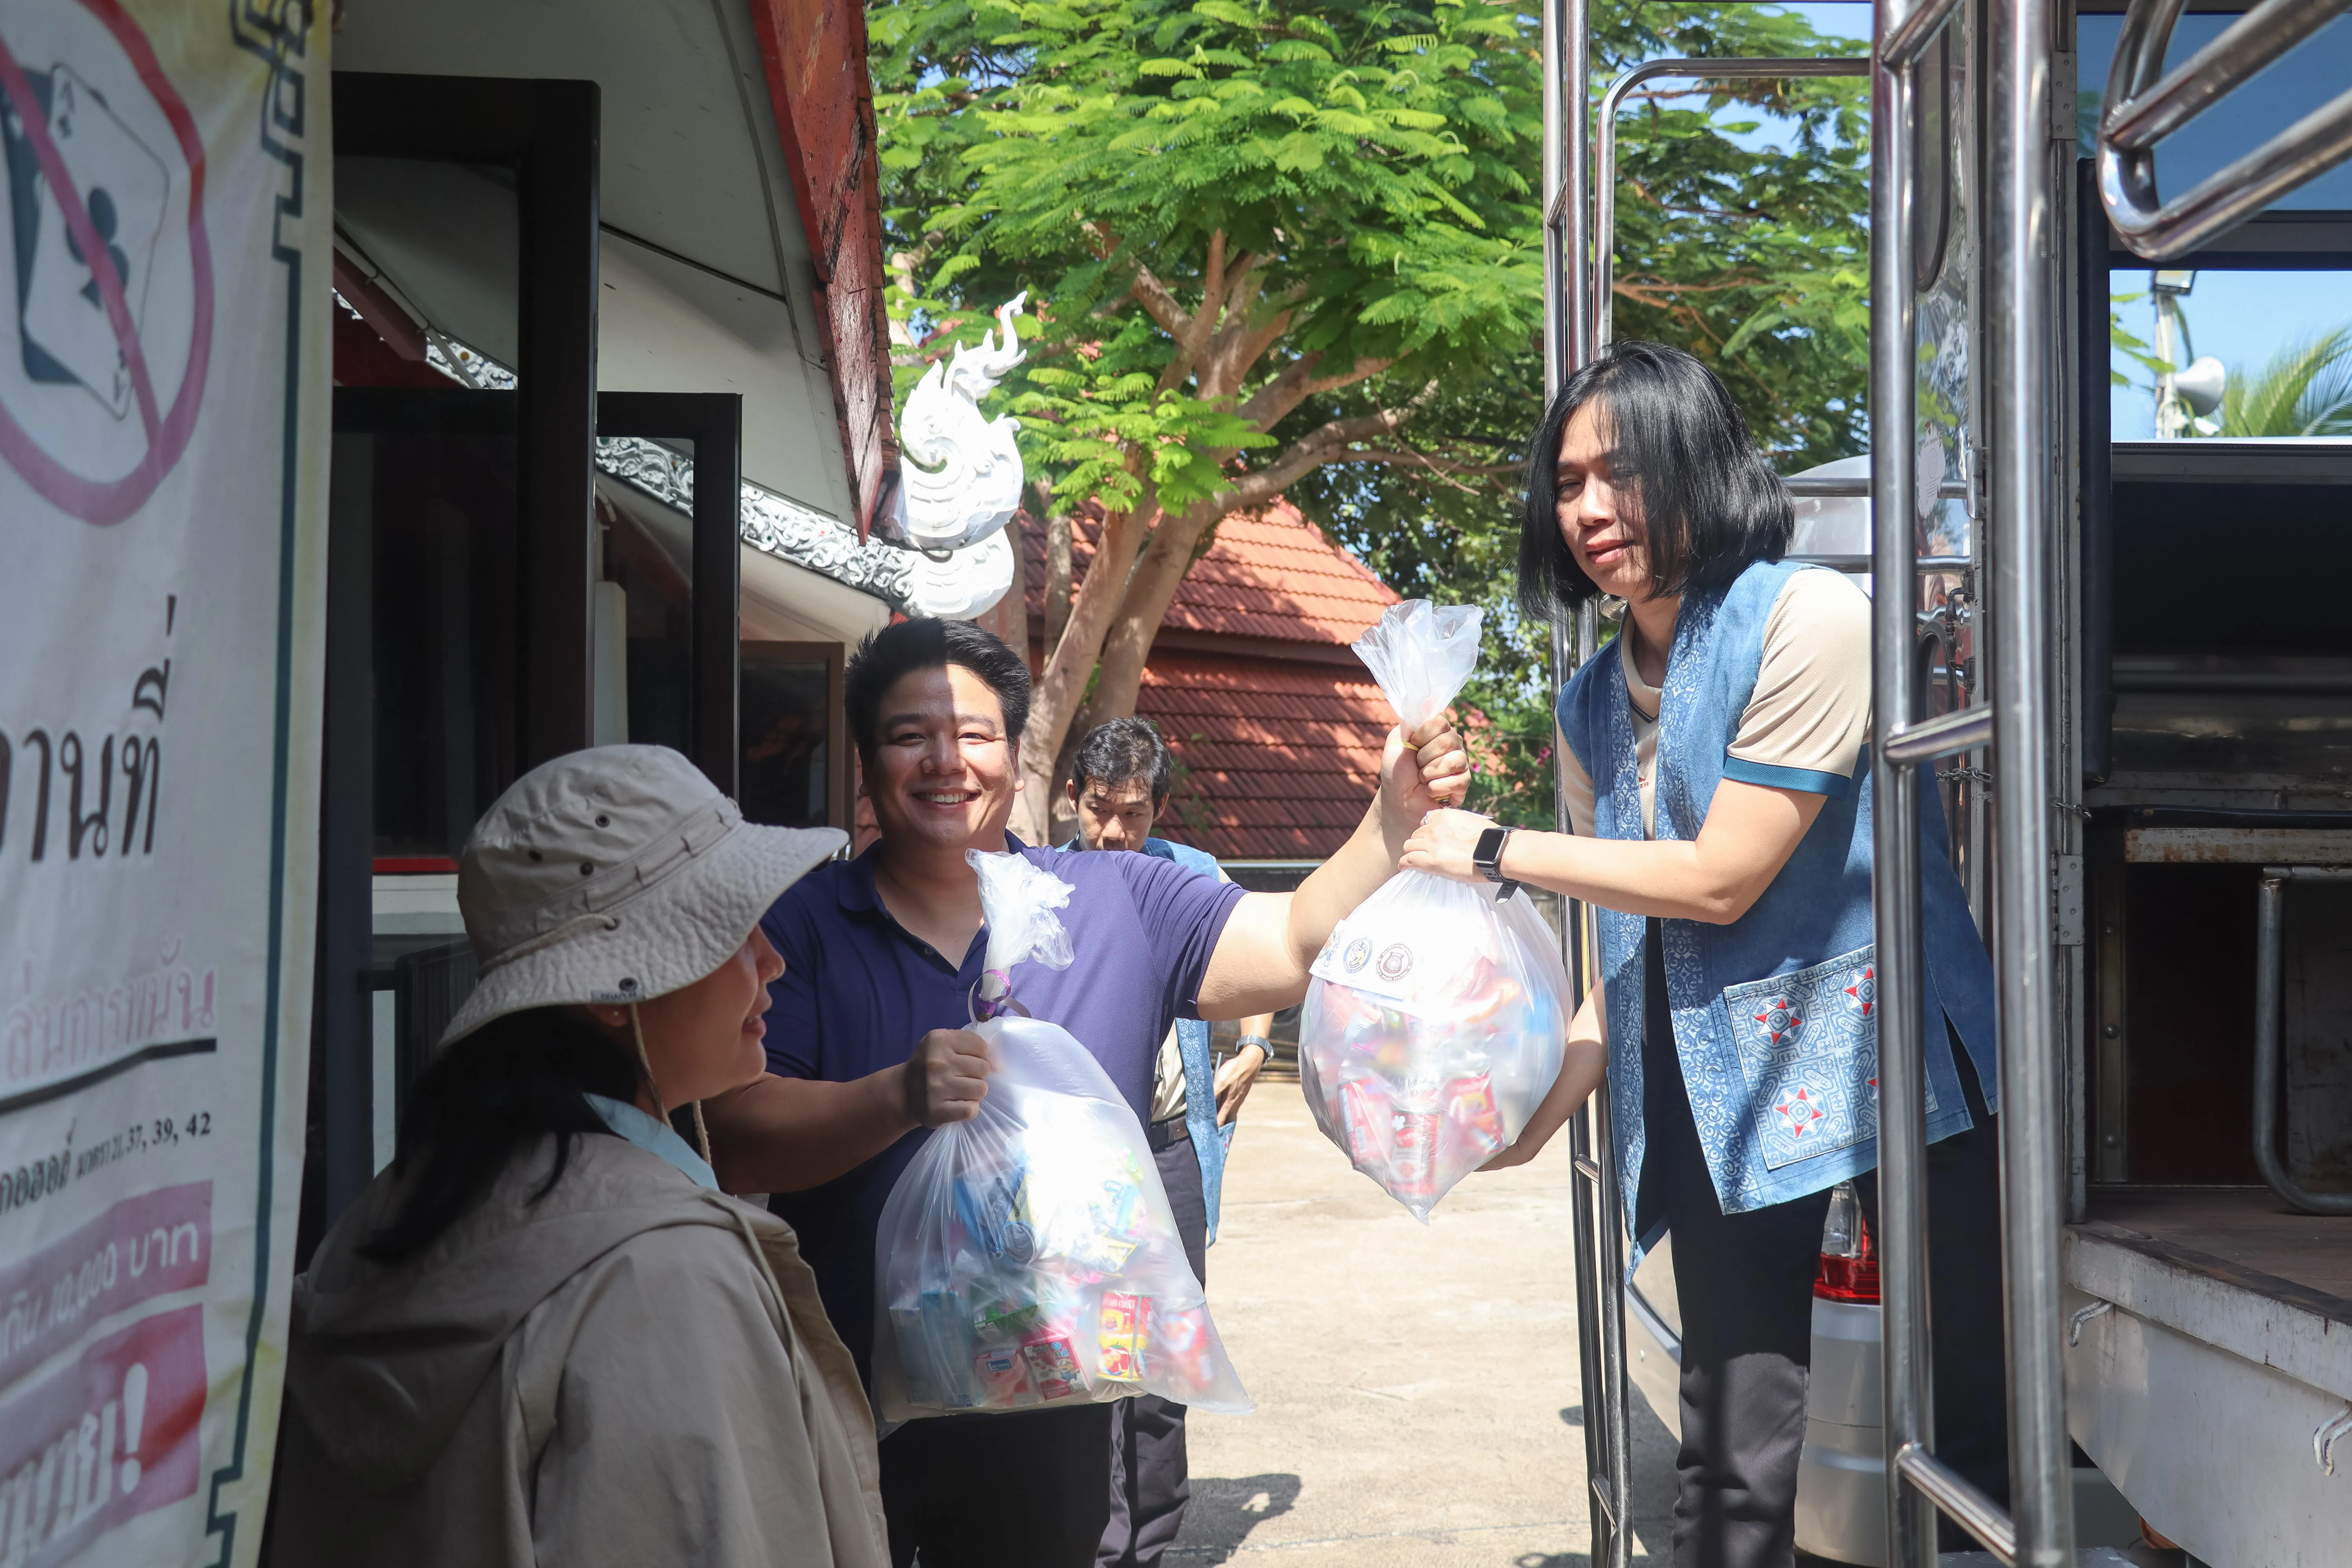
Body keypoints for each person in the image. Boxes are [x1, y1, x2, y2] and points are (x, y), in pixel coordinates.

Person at [1400, 341, 2007, 1568]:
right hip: (1722, 1103)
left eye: (1619, 473)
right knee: (1728, 1469)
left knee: (1971, 1447)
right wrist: (1532, 1107)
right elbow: (1627, 949)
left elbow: (1722, 877)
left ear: (1701, 466)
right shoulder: (1584, 704)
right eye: (1567, 483)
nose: (1588, 510)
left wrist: (1490, 846)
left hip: (1897, 1072)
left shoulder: (1813, 614)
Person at [704, 618, 1466, 1568]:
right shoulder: (806, 923)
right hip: (851, 1396)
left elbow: (1299, 941)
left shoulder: (1119, 898)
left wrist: (1390, 823)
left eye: (975, 735)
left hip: (1051, 1402)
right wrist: (894, 1098)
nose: (946, 759)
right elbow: (737, 1133)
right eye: (910, 735)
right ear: (867, 761)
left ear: (1018, 756)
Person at [272, 746, 888, 1568]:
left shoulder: (393, 1207)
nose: (771, 961)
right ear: (611, 993)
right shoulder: (664, 1272)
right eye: (732, 927)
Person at [1060, 716, 1276, 1568]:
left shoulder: (1193, 875)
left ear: (1159, 810)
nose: (1115, 831)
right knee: (1083, 1353)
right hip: (1081, 1155)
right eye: (1100, 809)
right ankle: (1093, 1537)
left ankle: (1149, 1541)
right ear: (1071, 796)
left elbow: (1265, 954)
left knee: (1162, 1350)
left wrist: (1256, 1046)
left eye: (1135, 814)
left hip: (1169, 1148)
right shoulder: (1043, 881)